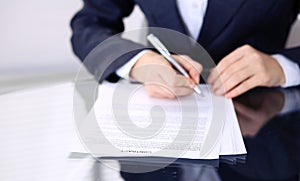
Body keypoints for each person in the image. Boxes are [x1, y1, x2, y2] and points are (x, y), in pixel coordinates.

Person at [71, 0, 300, 99]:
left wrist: (281, 66)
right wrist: (138, 62)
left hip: (268, 118)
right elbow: (89, 24)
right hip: (162, 109)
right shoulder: (141, 179)